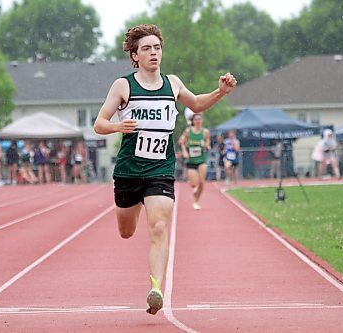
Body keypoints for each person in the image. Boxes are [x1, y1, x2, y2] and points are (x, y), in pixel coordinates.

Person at [93, 24, 237, 315]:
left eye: (157, 48)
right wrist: (117, 126)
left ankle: (155, 288)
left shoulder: (172, 83)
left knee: (159, 226)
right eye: (146, 49)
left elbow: (196, 103)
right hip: (129, 172)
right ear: (135, 55)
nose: (154, 53)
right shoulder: (124, 86)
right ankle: (134, 233)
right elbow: (99, 123)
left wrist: (220, 92)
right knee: (126, 231)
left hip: (160, 169)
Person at [178, 113, 210, 210]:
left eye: (199, 119)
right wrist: (184, 151)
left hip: (201, 160)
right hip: (191, 161)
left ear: (202, 121)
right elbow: (181, 142)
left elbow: (208, 142)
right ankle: (195, 190)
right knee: (194, 183)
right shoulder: (188, 131)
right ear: (193, 121)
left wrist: (207, 146)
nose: (198, 121)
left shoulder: (205, 132)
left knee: (202, 182)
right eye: (196, 119)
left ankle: (196, 201)